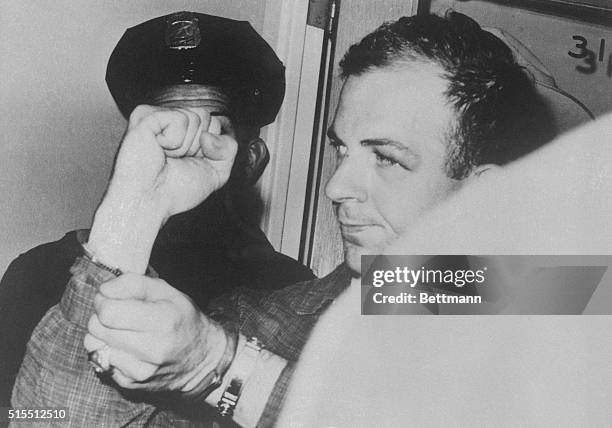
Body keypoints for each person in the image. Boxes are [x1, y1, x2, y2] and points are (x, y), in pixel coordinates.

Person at [12, 11, 559, 427]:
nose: (337, 187)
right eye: (342, 150)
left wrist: (221, 367)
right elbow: (55, 417)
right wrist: (134, 212)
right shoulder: (306, 310)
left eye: (387, 158)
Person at [0, 11, 314, 408]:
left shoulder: (286, 289)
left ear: (249, 161)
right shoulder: (42, 274)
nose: (185, 153)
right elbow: (30, 414)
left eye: (214, 131)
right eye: (168, 130)